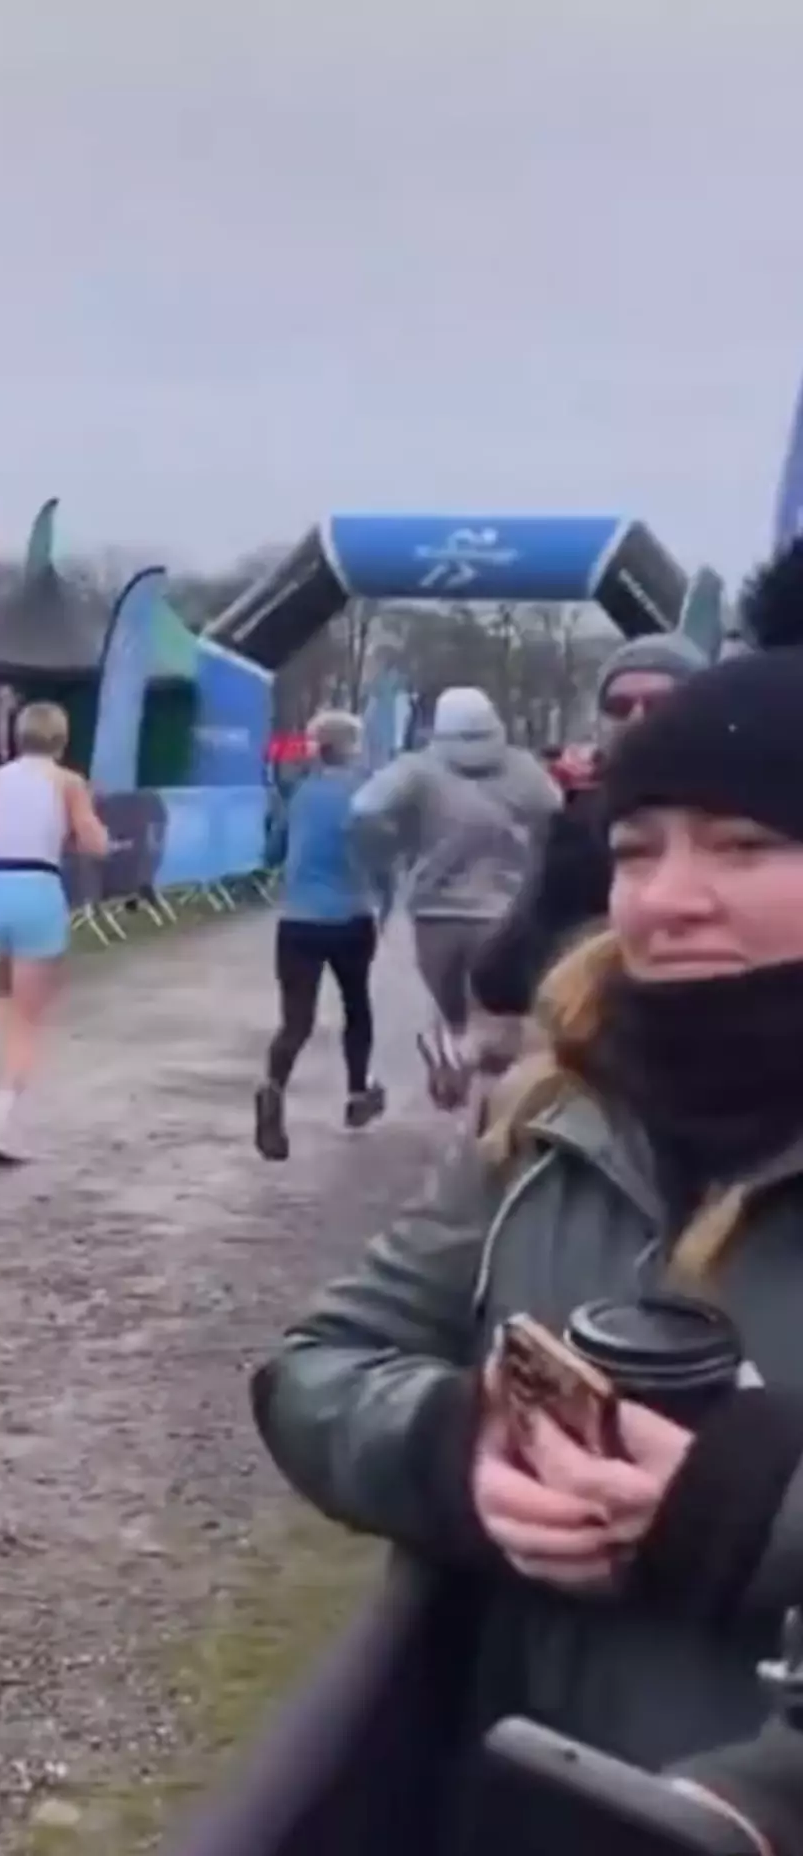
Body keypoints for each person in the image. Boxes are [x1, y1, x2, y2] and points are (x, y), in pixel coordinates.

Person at [252, 535, 803, 1784]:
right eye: (635, 847)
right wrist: (459, 1445)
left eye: (743, 846)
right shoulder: (560, 1112)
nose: (666, 899)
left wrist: (746, 1510)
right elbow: (316, 1366)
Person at [472, 632, 706, 1021]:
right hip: (611, 1042)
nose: (638, 717)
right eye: (619, 706)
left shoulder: (757, 799)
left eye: (661, 701)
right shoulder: (581, 820)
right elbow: (502, 981)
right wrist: (557, 897)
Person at [350, 685, 560, 1105]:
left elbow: (365, 809)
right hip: (506, 911)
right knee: (500, 1015)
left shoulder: (419, 769)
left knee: (452, 1013)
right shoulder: (523, 767)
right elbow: (555, 808)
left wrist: (393, 845)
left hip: (435, 913)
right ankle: (492, 1101)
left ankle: (451, 1065)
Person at [0, 701, 109, 1165]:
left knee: (8, 990)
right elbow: (96, 844)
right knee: (29, 1020)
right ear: (62, 741)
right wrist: (79, 832)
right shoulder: (68, 783)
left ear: (17, 737)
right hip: (39, 889)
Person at [254, 709, 387, 1161]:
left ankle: (272, 1090)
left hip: (297, 922)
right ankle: (356, 1095)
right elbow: (380, 854)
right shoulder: (366, 795)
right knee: (357, 1006)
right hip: (351, 916)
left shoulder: (300, 793)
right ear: (352, 747)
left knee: (296, 1021)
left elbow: (270, 854)